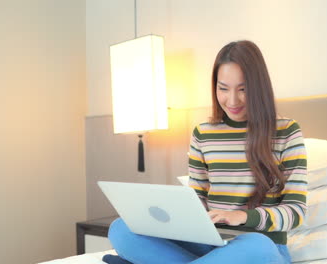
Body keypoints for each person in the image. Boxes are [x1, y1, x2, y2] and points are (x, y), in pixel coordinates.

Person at [106, 40, 307, 264]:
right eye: (223, 88)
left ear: (259, 87)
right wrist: (181, 216)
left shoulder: (286, 131)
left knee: (259, 247)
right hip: (210, 243)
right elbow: (197, 197)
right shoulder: (203, 133)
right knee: (121, 229)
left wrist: (242, 217)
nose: (232, 100)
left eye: (243, 89)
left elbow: (296, 212)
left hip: (259, 246)